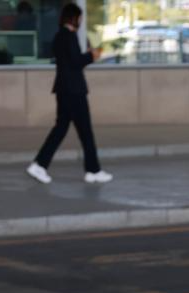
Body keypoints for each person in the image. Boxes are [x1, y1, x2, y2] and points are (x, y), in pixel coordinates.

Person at [27, 3, 112, 185]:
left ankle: (41, 165)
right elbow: (75, 62)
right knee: (84, 131)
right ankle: (92, 170)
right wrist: (91, 56)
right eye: (79, 18)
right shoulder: (69, 36)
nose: (80, 21)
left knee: (62, 128)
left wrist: (86, 56)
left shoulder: (59, 36)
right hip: (74, 90)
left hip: (64, 89)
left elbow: (69, 61)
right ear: (73, 18)